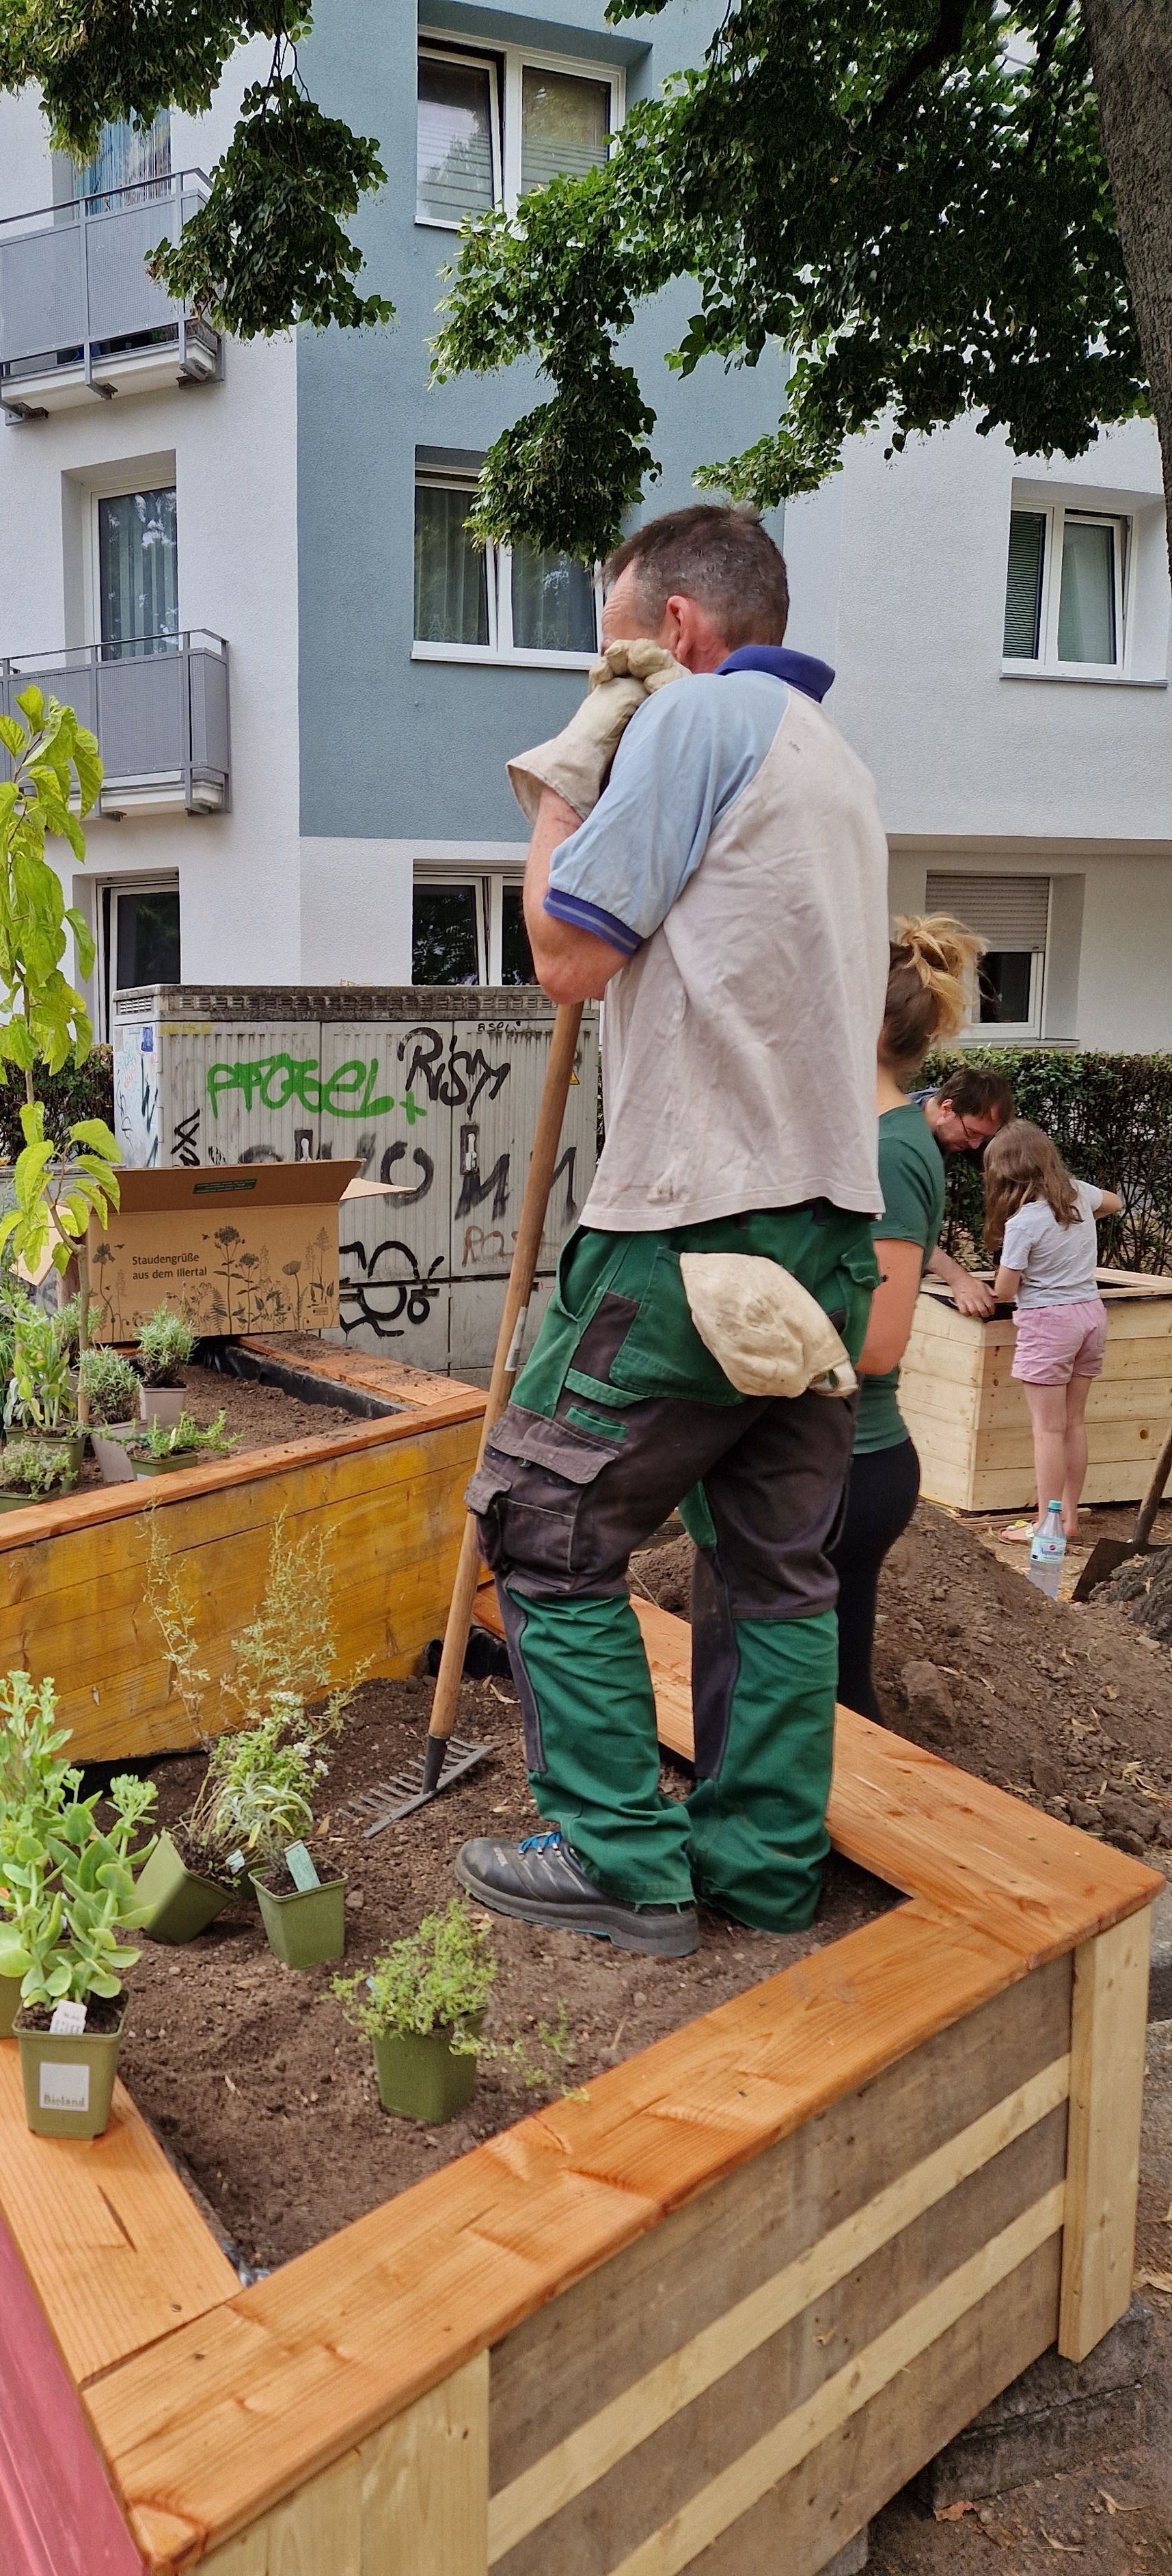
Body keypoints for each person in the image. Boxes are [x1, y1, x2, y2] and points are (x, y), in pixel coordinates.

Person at [454, 502, 888, 1957]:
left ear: (677, 633)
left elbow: (568, 948)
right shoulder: (836, 764)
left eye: (610, 645)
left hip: (698, 1217)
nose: (607, 673)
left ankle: (618, 1853)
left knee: (543, 1521)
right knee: (772, 1565)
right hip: (824, 1225)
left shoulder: (695, 719)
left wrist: (562, 786)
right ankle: (761, 1867)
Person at [831, 917, 984, 1719]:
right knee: (829, 1687)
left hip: (850, 1465)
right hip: (844, 1461)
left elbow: (879, 1343)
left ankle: (840, 1832)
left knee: (834, 1698)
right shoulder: (878, 1135)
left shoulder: (891, 1149)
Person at [983, 1122, 1123, 1544]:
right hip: (1090, 1315)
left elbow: (1005, 1290)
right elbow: (1114, 1203)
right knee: (1074, 1423)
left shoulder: (1024, 1221)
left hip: (1048, 1322)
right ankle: (1069, 1519)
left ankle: (1047, 1526)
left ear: (1006, 1172)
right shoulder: (1078, 1195)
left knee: (1047, 1429)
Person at [910, 1065, 1016, 1317]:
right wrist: (959, 1280)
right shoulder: (895, 1139)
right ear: (946, 1108)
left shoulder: (963, 1121)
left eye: (984, 1137)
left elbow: (1016, 1184)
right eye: (973, 1134)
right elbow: (902, 1229)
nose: (975, 1145)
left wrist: (1012, 1258)